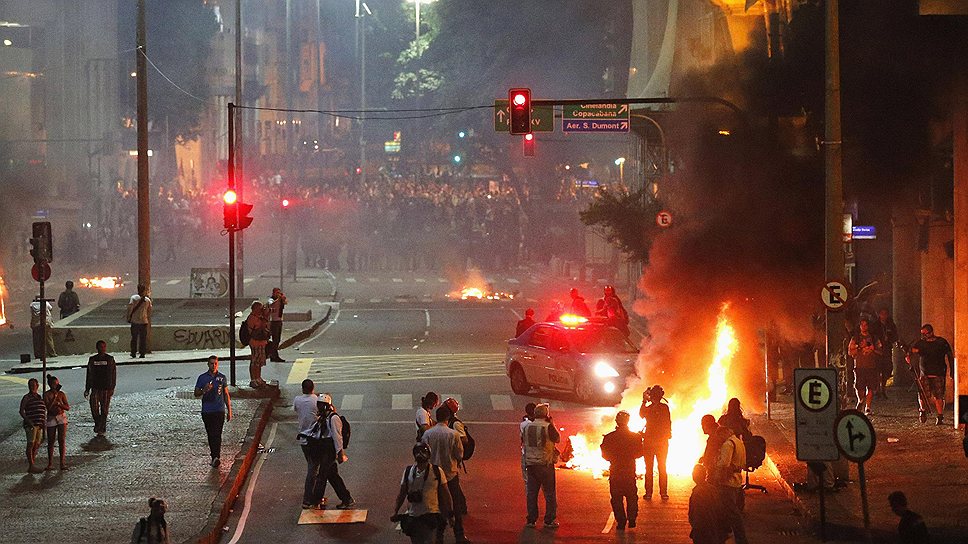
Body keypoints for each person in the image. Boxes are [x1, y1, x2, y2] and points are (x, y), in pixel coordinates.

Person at [421, 405, 470, 543]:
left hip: (434, 475)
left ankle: (439, 536)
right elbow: (459, 454)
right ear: (448, 418)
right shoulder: (453, 434)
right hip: (450, 474)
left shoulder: (428, 434)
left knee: (436, 505)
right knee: (455, 504)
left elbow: (424, 453)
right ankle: (459, 535)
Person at [392, 443, 453, 544]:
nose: (420, 454)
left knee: (430, 541)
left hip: (430, 514)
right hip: (413, 516)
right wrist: (395, 511)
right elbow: (402, 494)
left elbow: (446, 494)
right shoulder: (408, 472)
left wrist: (450, 514)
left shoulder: (436, 471)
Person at [600, 410, 644, 530]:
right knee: (632, 497)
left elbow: (605, 455)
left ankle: (621, 521)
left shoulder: (609, 437)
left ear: (617, 422)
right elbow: (640, 453)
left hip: (616, 472)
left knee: (616, 498)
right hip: (629, 472)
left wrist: (613, 458)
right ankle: (632, 518)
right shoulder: (635, 437)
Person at [522, 403, 560, 529]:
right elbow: (557, 438)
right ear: (546, 414)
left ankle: (531, 520)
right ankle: (549, 520)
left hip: (531, 464)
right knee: (549, 494)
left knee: (532, 493)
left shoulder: (527, 427)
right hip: (545, 464)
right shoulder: (547, 427)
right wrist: (552, 423)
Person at [908, 324, 953, 425]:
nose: (924, 336)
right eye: (922, 334)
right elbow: (911, 351)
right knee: (923, 394)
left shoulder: (941, 342)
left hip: (938, 372)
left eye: (925, 333)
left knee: (939, 395)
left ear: (931, 332)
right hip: (925, 373)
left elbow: (950, 355)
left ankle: (940, 416)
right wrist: (910, 354)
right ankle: (922, 410)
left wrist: (952, 370)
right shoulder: (921, 343)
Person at [317, 393, 355, 509]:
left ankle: (316, 499)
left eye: (320, 406)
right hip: (325, 449)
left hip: (330, 450)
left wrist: (340, 453)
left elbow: (337, 437)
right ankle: (346, 498)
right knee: (333, 476)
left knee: (322, 475)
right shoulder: (324, 417)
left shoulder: (333, 418)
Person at [194, 356, 232, 467]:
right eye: (211, 363)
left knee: (217, 433)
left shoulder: (222, 378)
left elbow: (226, 394)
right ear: (208, 364)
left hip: (219, 410)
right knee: (211, 434)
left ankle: (216, 457)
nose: (213, 365)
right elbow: (196, 393)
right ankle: (213, 455)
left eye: (215, 363)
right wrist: (204, 390)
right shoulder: (202, 378)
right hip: (207, 411)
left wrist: (229, 410)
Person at [715, 421, 748, 544]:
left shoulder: (728, 445)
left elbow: (724, 463)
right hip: (737, 481)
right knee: (728, 511)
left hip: (728, 482)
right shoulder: (739, 443)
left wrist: (716, 465)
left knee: (731, 512)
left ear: (724, 433)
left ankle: (741, 539)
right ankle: (723, 535)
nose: (720, 440)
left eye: (720, 436)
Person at [294, 379, 324, 509]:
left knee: (313, 466)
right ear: (313, 388)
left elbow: (297, 410)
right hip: (314, 439)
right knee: (313, 469)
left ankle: (315, 495)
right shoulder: (317, 400)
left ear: (302, 389)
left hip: (303, 439)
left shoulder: (297, 400)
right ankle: (308, 499)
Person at [640, 384, 672, 500]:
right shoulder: (665, 408)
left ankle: (649, 493)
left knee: (649, 468)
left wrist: (644, 401)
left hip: (650, 442)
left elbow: (641, 414)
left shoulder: (650, 408)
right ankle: (663, 493)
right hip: (662, 442)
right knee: (662, 467)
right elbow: (668, 423)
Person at [848, 318, 882, 415]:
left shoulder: (874, 338)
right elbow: (850, 352)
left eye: (865, 325)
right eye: (862, 325)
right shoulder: (855, 339)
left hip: (871, 366)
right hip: (859, 366)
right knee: (860, 388)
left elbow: (880, 351)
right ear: (859, 326)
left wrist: (873, 349)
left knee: (871, 387)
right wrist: (859, 347)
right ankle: (861, 400)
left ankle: (868, 407)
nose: (864, 327)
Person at [443, 397, 470, 515]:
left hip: (452, 458)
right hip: (450, 457)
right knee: (452, 484)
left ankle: (460, 508)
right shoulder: (449, 421)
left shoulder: (455, 423)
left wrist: (452, 439)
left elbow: (464, 439)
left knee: (453, 484)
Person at [84, 340, 117, 436]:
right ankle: (98, 423)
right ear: (97, 348)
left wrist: (112, 387)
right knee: (94, 407)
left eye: (103, 347)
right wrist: (87, 388)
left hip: (106, 388)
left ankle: (101, 427)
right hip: (95, 388)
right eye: (100, 347)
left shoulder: (110, 359)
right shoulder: (92, 359)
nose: (102, 349)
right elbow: (89, 374)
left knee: (104, 409)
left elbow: (113, 374)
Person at [689, 464, 727, 544]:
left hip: (702, 532)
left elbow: (694, 515)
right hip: (716, 530)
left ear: (694, 476)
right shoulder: (713, 489)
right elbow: (721, 510)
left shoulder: (697, 493)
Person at [870, 308, 898, 399]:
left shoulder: (890, 324)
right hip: (877, 351)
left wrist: (889, 339)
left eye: (885, 314)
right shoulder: (875, 325)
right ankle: (877, 390)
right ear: (879, 314)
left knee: (887, 369)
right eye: (882, 314)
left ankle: (883, 388)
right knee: (877, 370)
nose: (884, 316)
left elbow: (895, 336)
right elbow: (871, 336)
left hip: (887, 350)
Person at [19, 378, 46, 473]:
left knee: (37, 444)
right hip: (31, 424)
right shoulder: (26, 397)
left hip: (39, 425)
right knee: (30, 444)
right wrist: (28, 420)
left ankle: (32, 463)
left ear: (37, 386)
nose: (32, 387)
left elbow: (43, 410)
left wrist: (43, 422)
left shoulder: (39, 397)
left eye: (34, 385)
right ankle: (31, 465)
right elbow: (21, 411)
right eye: (30, 385)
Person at [43, 374, 70, 470]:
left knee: (61, 440)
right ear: (51, 385)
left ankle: (62, 462)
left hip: (61, 417)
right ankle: (50, 463)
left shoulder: (62, 394)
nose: (57, 385)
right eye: (55, 384)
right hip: (51, 417)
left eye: (57, 383)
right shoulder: (46, 394)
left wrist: (59, 404)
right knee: (51, 441)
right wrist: (54, 399)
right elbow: (48, 408)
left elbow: (67, 407)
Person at [245, 301, 270, 388]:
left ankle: (258, 377)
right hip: (255, 342)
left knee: (259, 362)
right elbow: (261, 327)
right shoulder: (252, 318)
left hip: (261, 342)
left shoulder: (259, 317)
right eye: (260, 308)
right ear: (255, 309)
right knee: (255, 361)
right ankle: (253, 379)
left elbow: (267, 327)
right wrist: (265, 316)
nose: (261, 310)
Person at [126, 284, 152, 359]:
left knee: (134, 338)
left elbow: (130, 308)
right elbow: (149, 311)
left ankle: (133, 352)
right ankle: (142, 353)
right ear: (144, 290)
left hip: (135, 321)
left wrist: (128, 317)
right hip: (144, 321)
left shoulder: (133, 298)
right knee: (143, 338)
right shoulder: (147, 300)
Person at [266, 287, 287, 362]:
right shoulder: (271, 299)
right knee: (275, 339)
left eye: (279, 292)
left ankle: (274, 354)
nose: (278, 294)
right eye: (277, 293)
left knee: (277, 339)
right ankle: (273, 355)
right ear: (273, 293)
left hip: (279, 320)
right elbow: (271, 304)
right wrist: (278, 299)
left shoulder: (280, 300)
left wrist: (282, 299)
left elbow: (285, 302)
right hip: (273, 321)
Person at [520, 402, 537, 492]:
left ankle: (530, 503)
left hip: (526, 455)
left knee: (528, 481)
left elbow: (522, 437)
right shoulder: (541, 423)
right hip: (539, 456)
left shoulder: (523, 424)